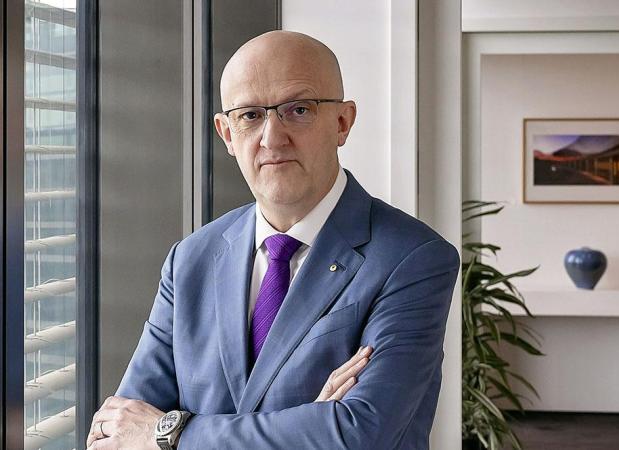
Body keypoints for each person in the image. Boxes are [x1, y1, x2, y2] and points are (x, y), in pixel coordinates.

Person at [85, 30, 460, 449]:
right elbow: (113, 435)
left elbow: (359, 435)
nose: (272, 137)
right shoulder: (191, 258)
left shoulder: (413, 258)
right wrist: (311, 424)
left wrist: (170, 434)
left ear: (342, 122)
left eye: (298, 109)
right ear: (226, 134)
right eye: (249, 115)